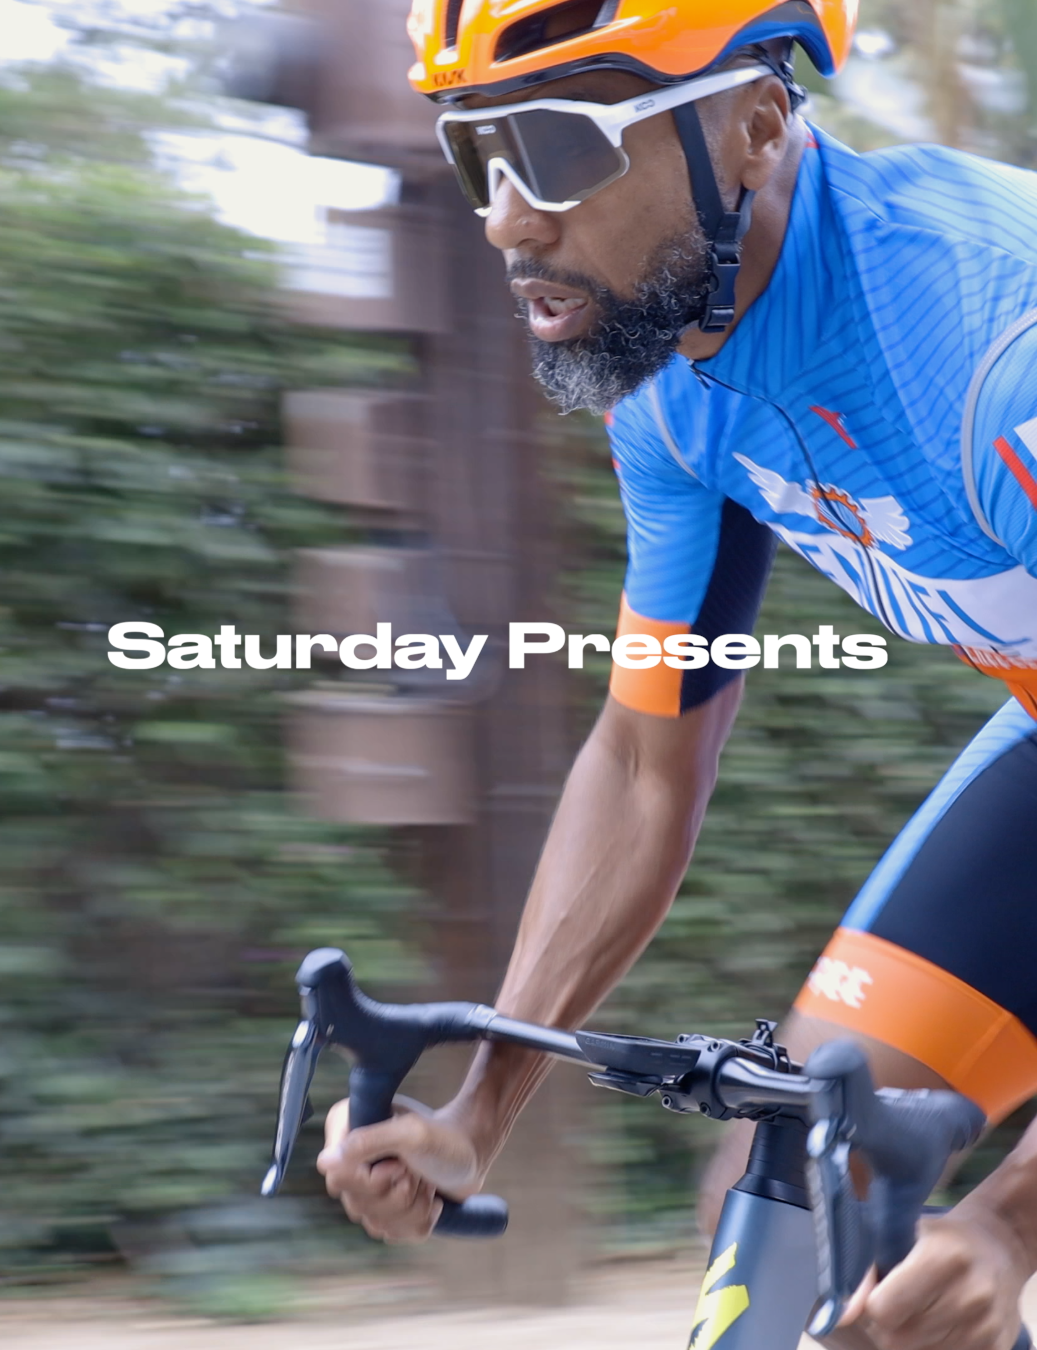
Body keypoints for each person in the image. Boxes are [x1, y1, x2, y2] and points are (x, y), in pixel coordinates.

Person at [317, 3, 1037, 1346]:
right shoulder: (671, 382)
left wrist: (1009, 1218)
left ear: (755, 126)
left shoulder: (1000, 350)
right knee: (807, 1199)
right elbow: (647, 764)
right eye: (482, 153)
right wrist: (482, 1106)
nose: (509, 221)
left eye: (559, 146)